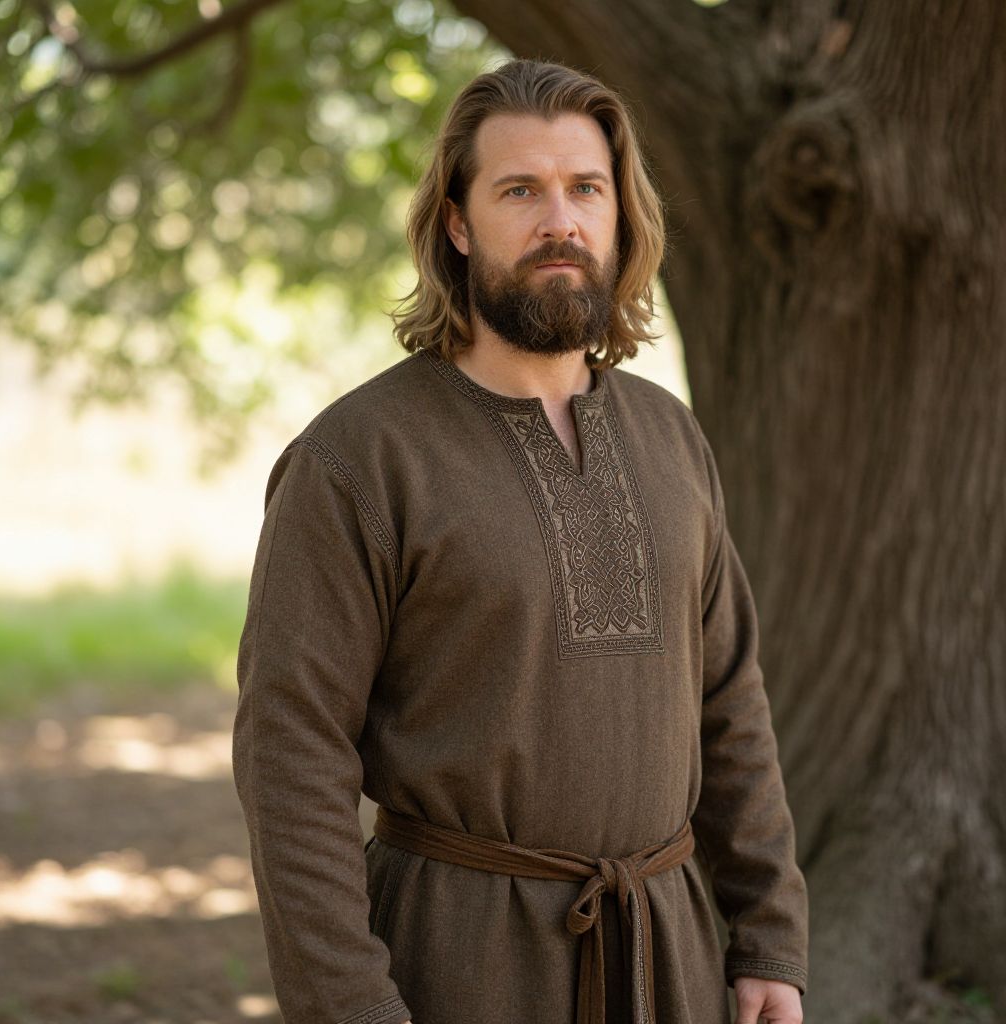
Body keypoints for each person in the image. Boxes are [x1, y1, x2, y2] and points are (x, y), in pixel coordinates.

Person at [232, 58, 808, 1024]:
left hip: (669, 957)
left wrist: (768, 940)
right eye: (520, 191)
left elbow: (730, 702)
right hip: (454, 965)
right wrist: (351, 1008)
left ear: (620, 216)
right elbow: (292, 758)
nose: (561, 222)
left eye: (587, 188)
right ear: (458, 223)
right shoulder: (358, 460)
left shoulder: (672, 437)